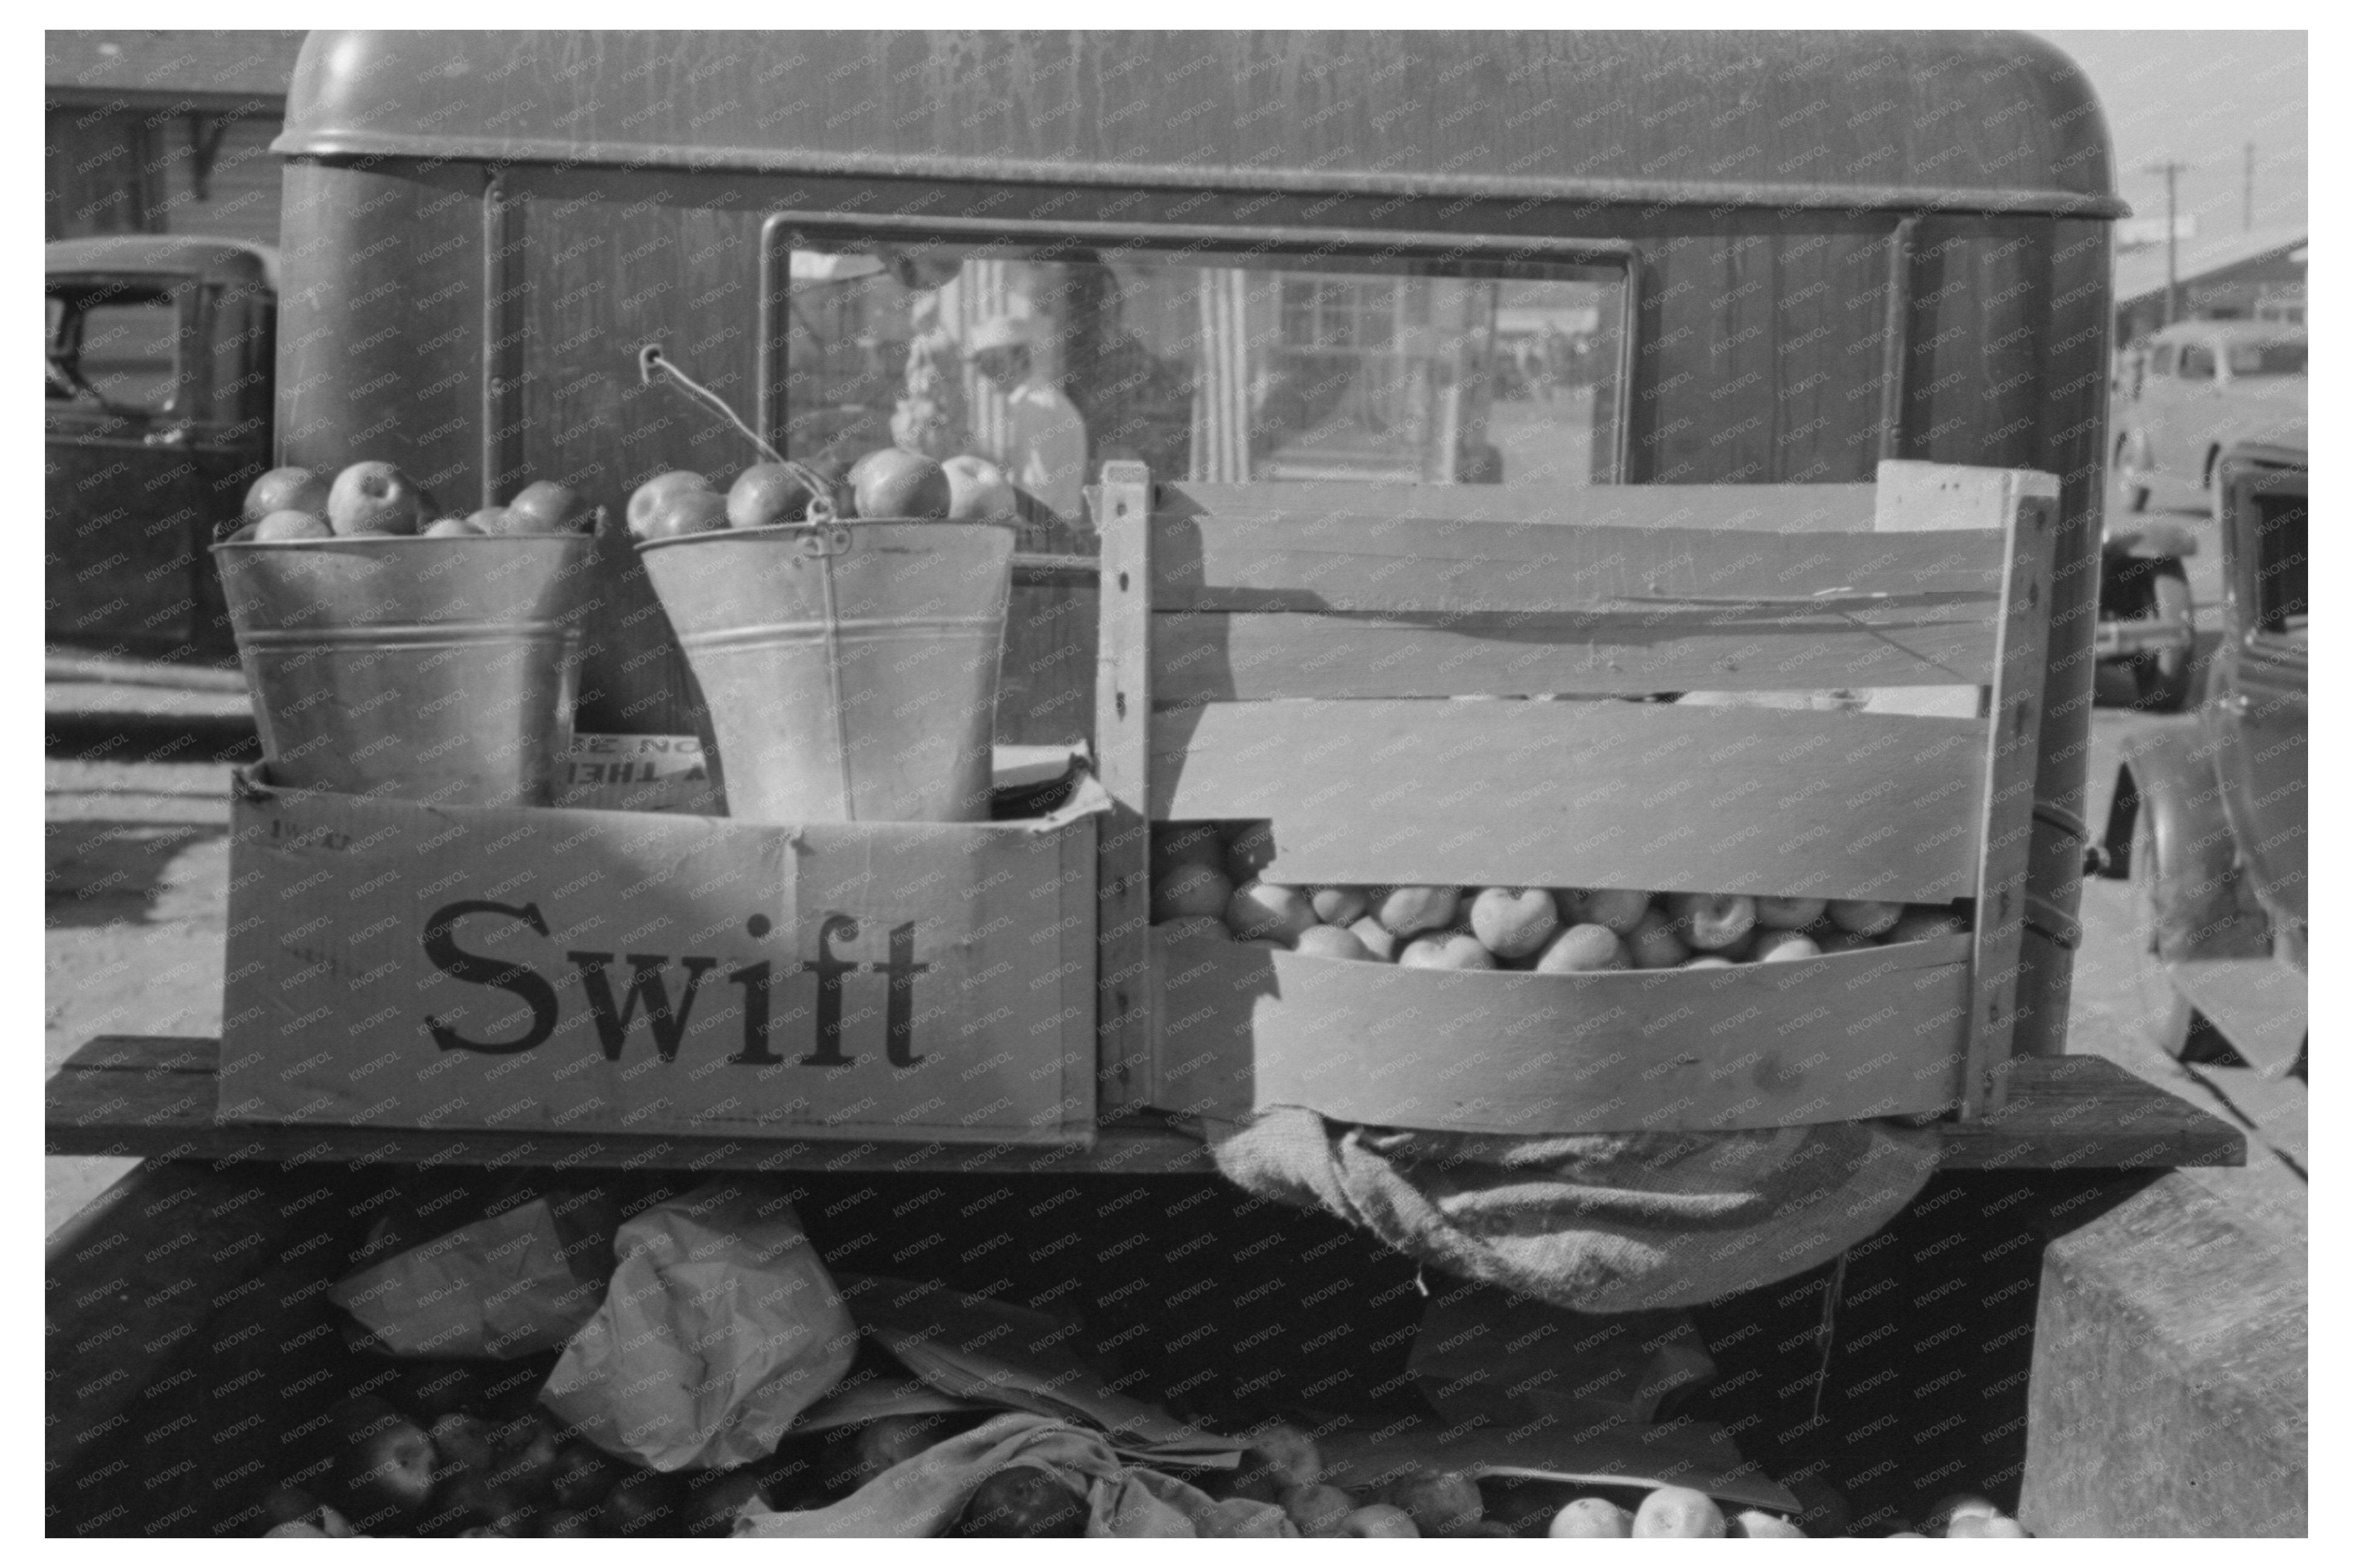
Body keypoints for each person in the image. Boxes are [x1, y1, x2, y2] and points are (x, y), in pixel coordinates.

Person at [965, 315, 1088, 518]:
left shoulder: (1037, 408)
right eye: (983, 363)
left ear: (1021, 357)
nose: (987, 371)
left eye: (995, 361)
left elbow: (1038, 491)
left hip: (1047, 530)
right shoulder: (1039, 401)